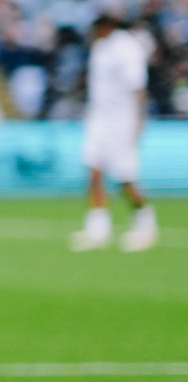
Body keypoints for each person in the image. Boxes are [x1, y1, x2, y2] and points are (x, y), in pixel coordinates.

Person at [71, 13, 157, 252]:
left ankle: (145, 224)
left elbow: (138, 88)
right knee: (94, 171)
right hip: (99, 118)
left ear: (105, 27)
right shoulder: (99, 49)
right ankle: (98, 230)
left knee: (125, 177)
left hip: (122, 120)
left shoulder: (127, 48)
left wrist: (139, 121)